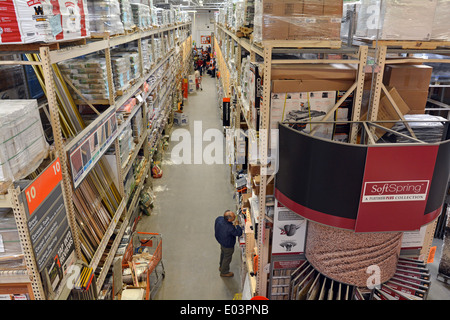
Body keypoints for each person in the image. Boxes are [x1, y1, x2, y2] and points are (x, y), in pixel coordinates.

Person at [214, 210, 242, 277]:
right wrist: (237, 225)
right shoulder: (230, 228)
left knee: (223, 254)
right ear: (229, 220)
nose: (235, 217)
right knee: (227, 258)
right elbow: (238, 233)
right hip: (228, 245)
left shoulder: (219, 219)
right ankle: (224, 272)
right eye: (233, 217)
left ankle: (221, 266)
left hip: (221, 240)